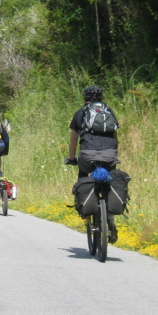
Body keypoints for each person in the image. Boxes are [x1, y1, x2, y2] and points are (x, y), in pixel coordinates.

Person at [65, 85, 119, 243]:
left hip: (87, 155)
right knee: (109, 180)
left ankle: (85, 208)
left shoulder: (80, 113)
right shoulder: (109, 111)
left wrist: (72, 158)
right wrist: (114, 154)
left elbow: (74, 138)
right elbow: (115, 136)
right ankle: (110, 219)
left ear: (85, 98)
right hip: (109, 155)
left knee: (83, 177)